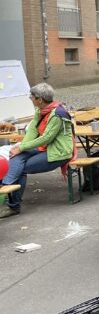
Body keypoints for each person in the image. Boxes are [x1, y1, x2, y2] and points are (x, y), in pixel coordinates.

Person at [0, 84, 74, 218]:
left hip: (58, 152)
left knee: (21, 167)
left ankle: (11, 201)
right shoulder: (41, 110)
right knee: (17, 157)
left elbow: (46, 138)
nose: (30, 99)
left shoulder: (58, 114)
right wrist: (21, 146)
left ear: (39, 99)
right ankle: (6, 188)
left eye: (31, 97)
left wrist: (22, 147)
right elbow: (33, 129)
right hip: (44, 147)